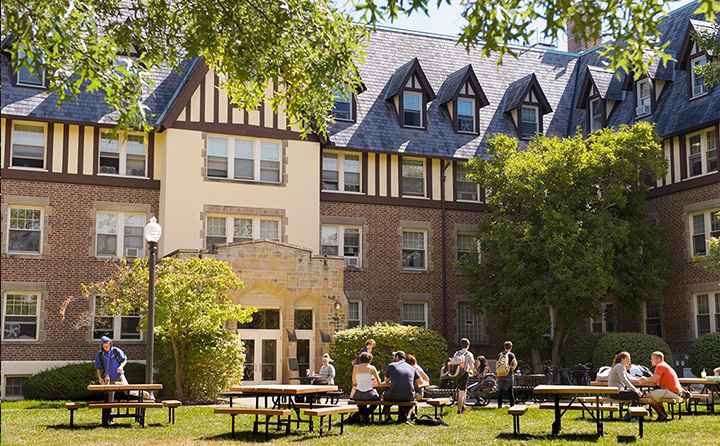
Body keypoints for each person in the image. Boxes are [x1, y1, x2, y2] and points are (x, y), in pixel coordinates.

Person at [638, 351, 682, 422]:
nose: (651, 360)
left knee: (647, 396)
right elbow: (656, 380)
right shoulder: (665, 365)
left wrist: (645, 379)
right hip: (675, 392)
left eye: (652, 359)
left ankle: (661, 414)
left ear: (658, 359)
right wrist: (648, 380)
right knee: (656, 398)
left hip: (671, 391)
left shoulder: (660, 366)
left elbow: (654, 378)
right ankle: (663, 414)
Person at [382, 350, 422, 423]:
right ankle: (408, 417)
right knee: (412, 399)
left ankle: (389, 418)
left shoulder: (391, 366)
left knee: (384, 396)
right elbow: (420, 382)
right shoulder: (412, 368)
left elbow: (386, 382)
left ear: (397, 357)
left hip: (393, 395)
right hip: (408, 395)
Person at [351, 351, 381, 423]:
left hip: (357, 394)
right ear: (370, 360)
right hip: (369, 393)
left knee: (360, 400)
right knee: (377, 400)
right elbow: (379, 382)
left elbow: (353, 380)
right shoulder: (372, 368)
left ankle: (362, 417)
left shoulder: (356, 367)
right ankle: (366, 414)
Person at [450, 338, 475, 414]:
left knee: (462, 390)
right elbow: (471, 366)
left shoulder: (456, 353)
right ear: (468, 345)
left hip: (457, 374)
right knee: (462, 392)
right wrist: (472, 371)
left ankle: (463, 407)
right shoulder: (469, 354)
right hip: (464, 373)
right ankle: (459, 409)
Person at [496, 340, 517, 408]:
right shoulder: (511, 354)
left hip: (500, 375)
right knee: (510, 390)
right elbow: (515, 363)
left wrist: (499, 371)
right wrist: (512, 368)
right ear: (511, 347)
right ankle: (512, 404)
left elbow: (497, 365)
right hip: (508, 375)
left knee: (501, 390)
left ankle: (499, 405)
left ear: (504, 347)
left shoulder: (500, 354)